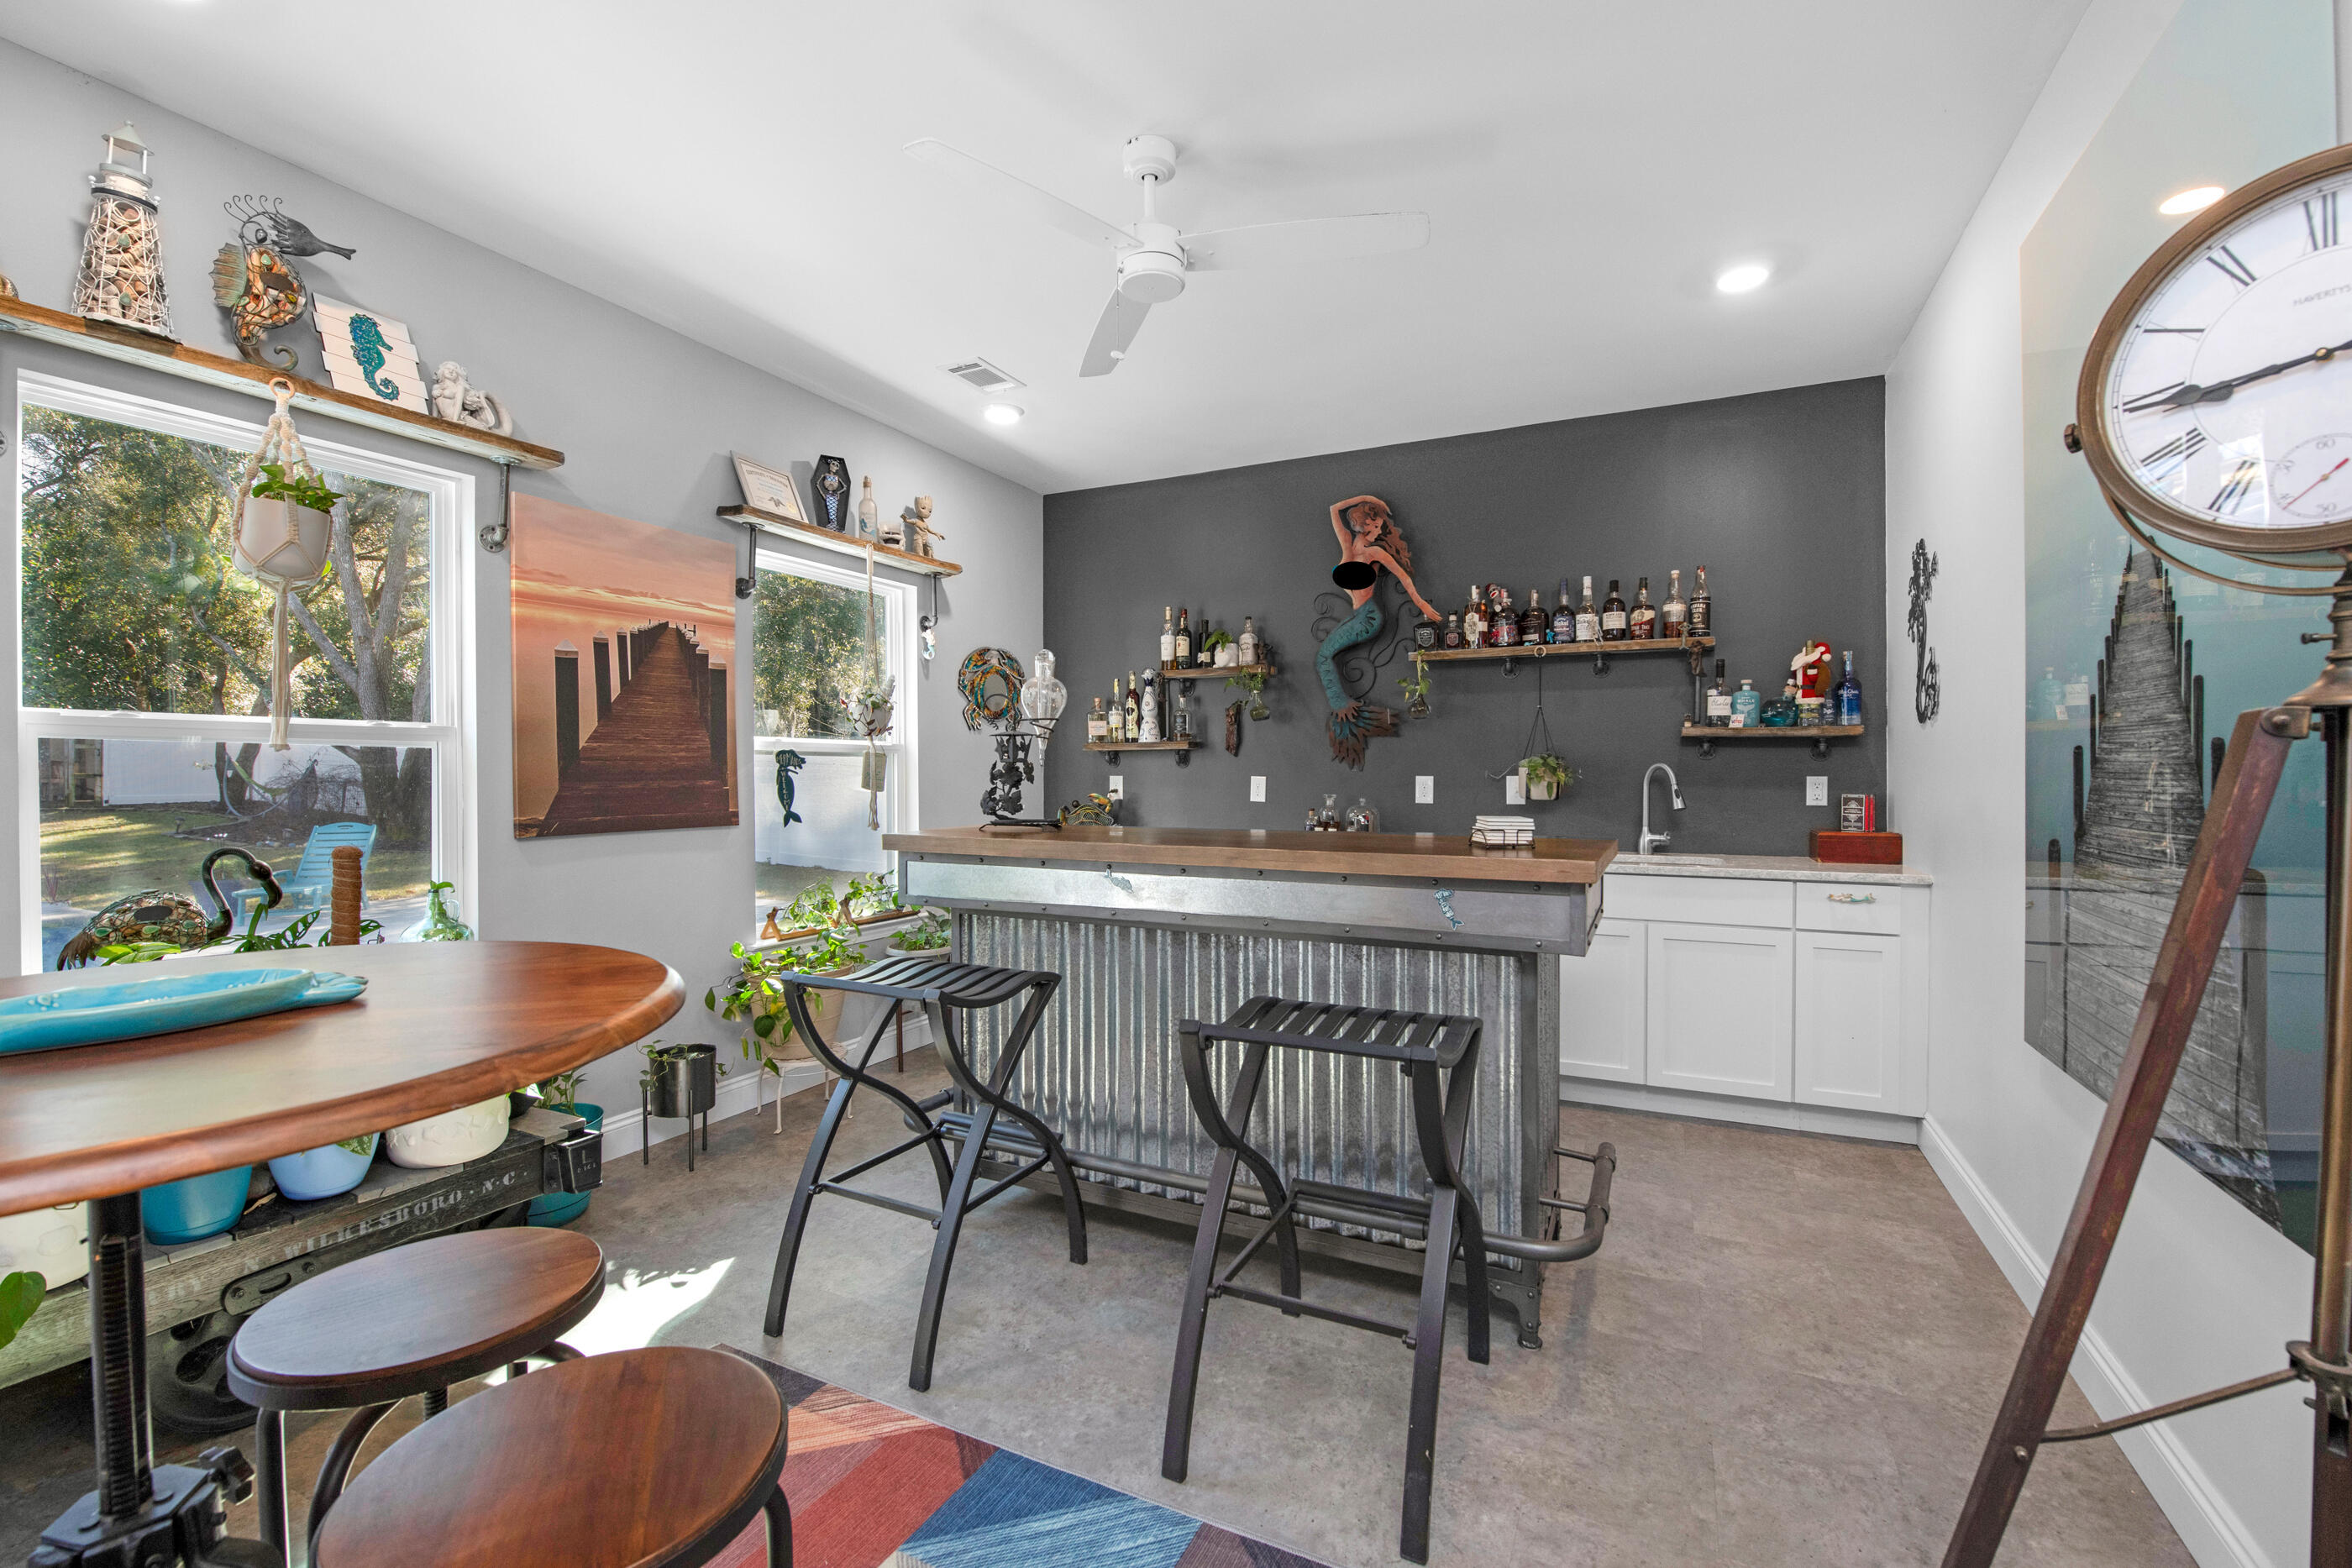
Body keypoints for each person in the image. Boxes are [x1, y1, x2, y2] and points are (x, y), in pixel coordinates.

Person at [1318, 494, 1438, 767]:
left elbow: (1403, 577)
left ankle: (1341, 704)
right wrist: (1371, 499)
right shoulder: (1347, 545)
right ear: (1360, 526)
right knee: (1324, 655)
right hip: (1358, 615)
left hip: (1369, 617)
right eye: (1373, 526)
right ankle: (1342, 707)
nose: (1377, 531)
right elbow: (1334, 508)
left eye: (1379, 527)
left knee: (1323, 656)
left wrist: (1421, 605)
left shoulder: (1374, 553)